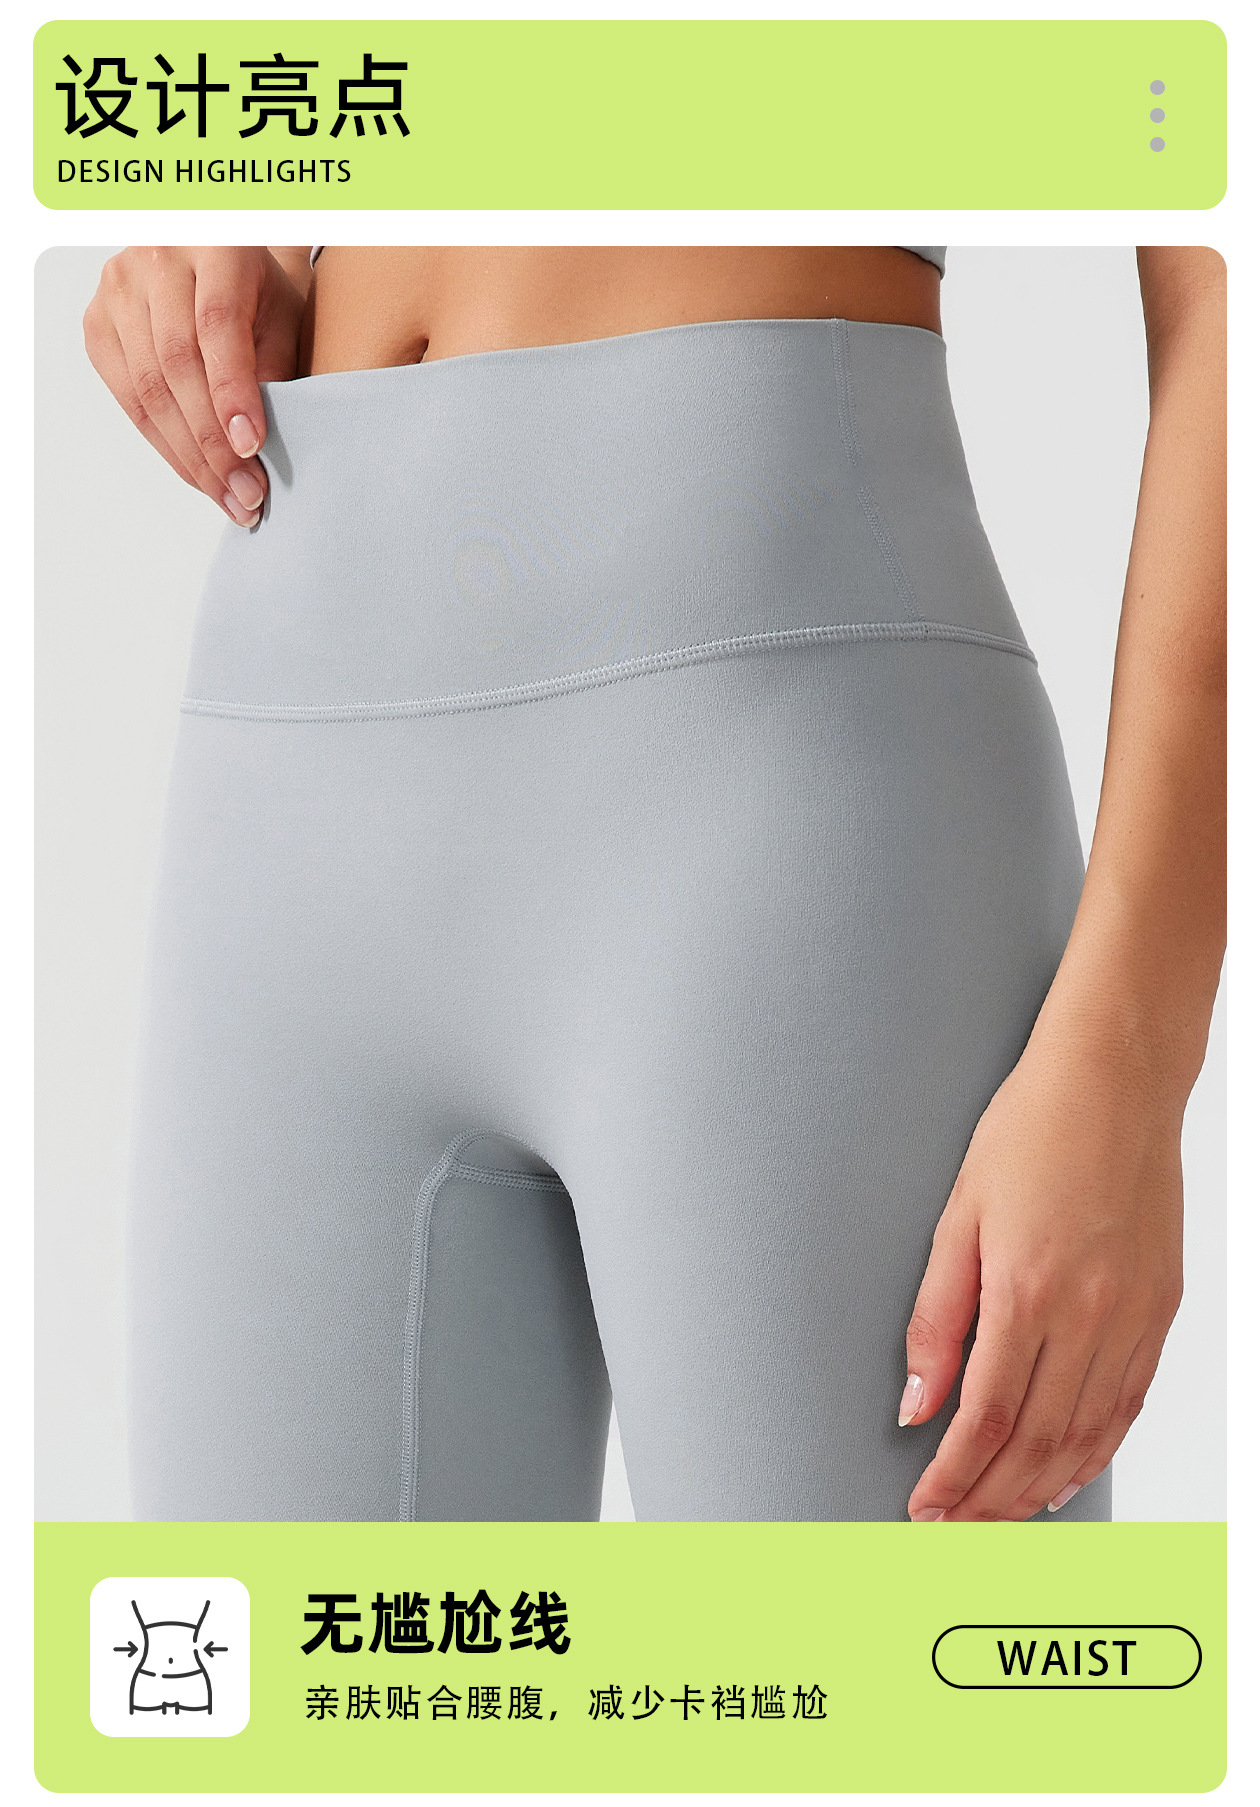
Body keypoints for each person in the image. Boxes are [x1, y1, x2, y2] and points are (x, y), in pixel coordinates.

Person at [84, 246, 1225, 1524]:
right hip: (284, 767)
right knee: (277, 1658)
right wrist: (219, 242)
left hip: (786, 795)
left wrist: (1131, 1068)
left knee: (896, 1657)